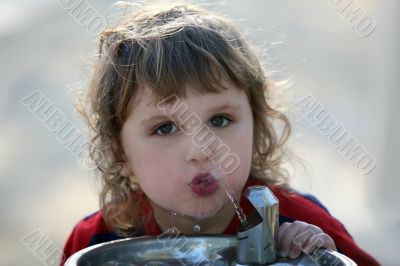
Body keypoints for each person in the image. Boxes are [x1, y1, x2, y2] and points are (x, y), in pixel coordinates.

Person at [61, 2, 379, 265]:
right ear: (120, 153)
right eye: (165, 127)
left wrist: (319, 256)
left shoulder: (297, 225)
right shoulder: (97, 240)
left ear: (256, 124)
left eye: (220, 120)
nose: (202, 150)